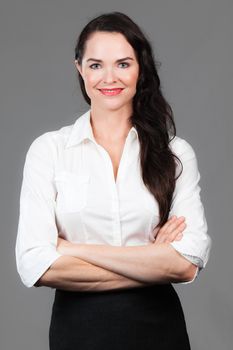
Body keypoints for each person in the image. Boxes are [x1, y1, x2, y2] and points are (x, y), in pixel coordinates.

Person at [15, 11, 211, 350]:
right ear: (79, 69)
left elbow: (185, 263)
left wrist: (70, 249)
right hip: (77, 332)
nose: (109, 77)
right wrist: (152, 260)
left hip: (159, 331)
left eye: (123, 64)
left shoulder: (176, 153)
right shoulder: (49, 151)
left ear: (140, 70)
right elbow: (35, 265)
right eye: (95, 65)